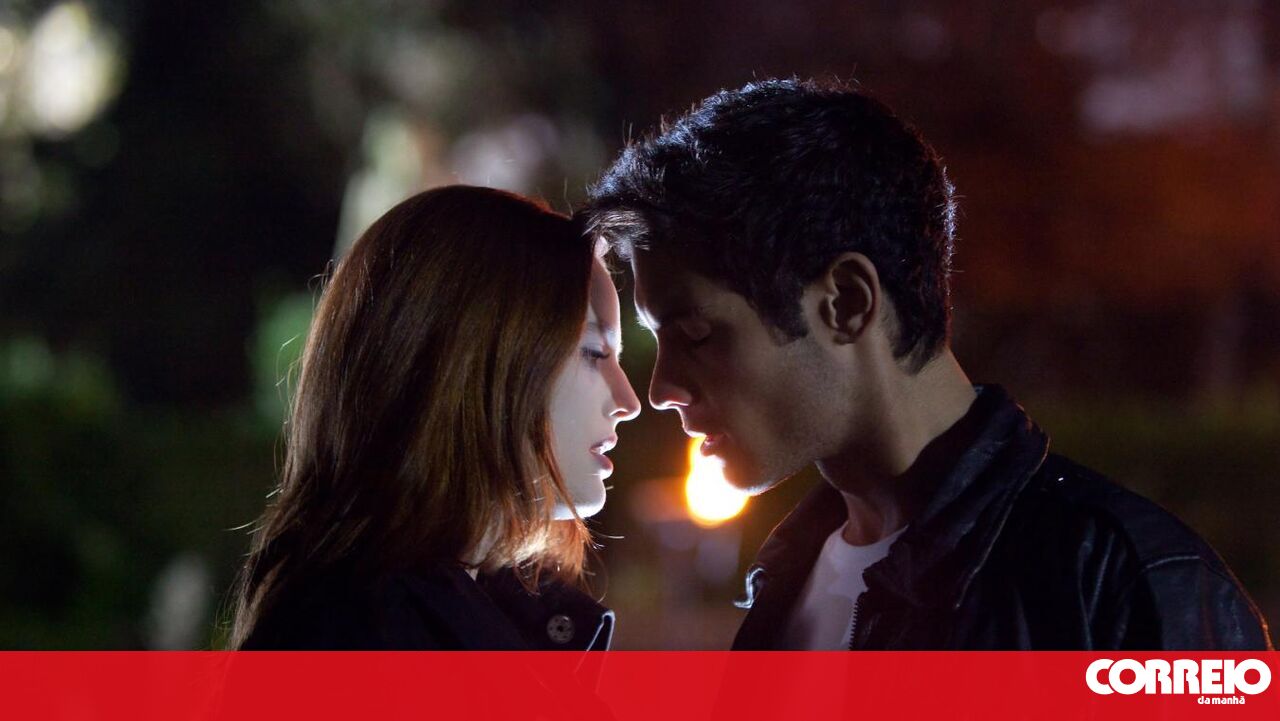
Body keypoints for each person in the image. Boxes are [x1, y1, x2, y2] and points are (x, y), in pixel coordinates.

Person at [582, 78, 1272, 650]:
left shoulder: (1124, 583)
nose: (662, 389)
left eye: (697, 335)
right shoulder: (785, 583)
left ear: (847, 302)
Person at [229, 185, 640, 650]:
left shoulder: (458, 617)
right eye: (593, 352)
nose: (628, 401)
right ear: (471, 359)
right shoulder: (360, 640)